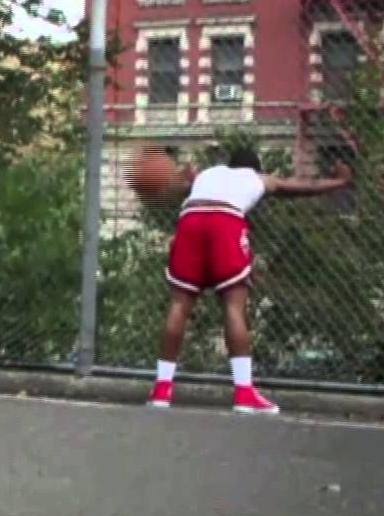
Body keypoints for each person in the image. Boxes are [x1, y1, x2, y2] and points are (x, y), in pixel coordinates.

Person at [146, 146, 352, 414]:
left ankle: (162, 389)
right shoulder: (257, 178)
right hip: (226, 220)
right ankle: (244, 393)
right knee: (233, 307)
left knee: (179, 305)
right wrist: (340, 181)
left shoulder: (207, 174)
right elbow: (300, 186)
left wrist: (182, 178)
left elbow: (171, 190)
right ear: (256, 168)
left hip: (191, 219)